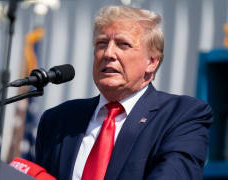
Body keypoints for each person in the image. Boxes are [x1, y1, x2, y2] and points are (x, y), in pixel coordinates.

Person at [34, 5, 213, 180]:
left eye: (123, 44)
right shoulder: (58, 120)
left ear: (151, 62)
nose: (108, 53)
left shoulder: (182, 115)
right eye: (101, 43)